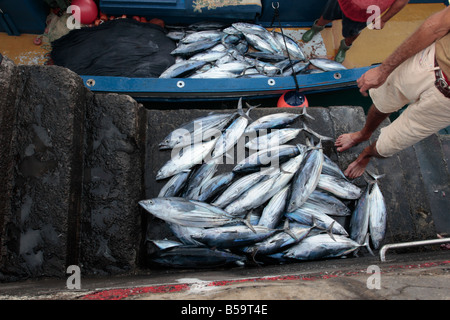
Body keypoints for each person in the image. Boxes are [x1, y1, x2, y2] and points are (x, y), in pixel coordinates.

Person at [335, 5, 450, 179]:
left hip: (445, 105)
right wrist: (383, 70)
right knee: (382, 103)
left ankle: (366, 154)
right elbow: (436, 25)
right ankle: (364, 133)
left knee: (392, 144)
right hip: (429, 62)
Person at [302, 0, 409, 63]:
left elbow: (401, 1)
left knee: (353, 33)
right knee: (326, 16)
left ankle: (344, 47)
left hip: (367, 13)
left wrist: (384, 19)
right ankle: (316, 28)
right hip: (342, 2)